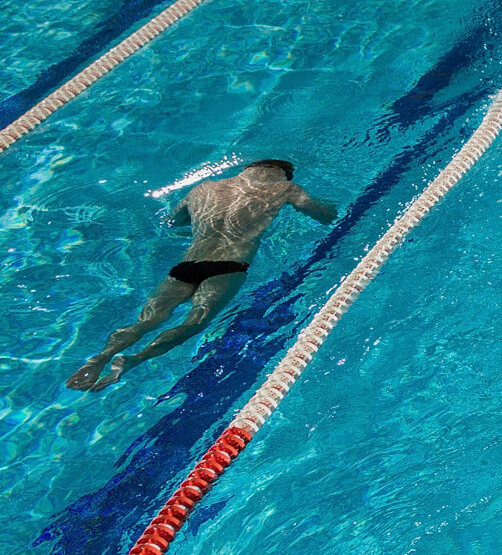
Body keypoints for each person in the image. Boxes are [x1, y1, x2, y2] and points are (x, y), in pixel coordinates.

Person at [67, 159, 337, 392]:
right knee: (195, 321)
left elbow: (174, 223)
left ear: (246, 169)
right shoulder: (284, 188)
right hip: (229, 265)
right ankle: (137, 358)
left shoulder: (202, 189)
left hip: (187, 265)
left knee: (148, 320)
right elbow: (323, 215)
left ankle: (100, 358)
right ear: (283, 174)